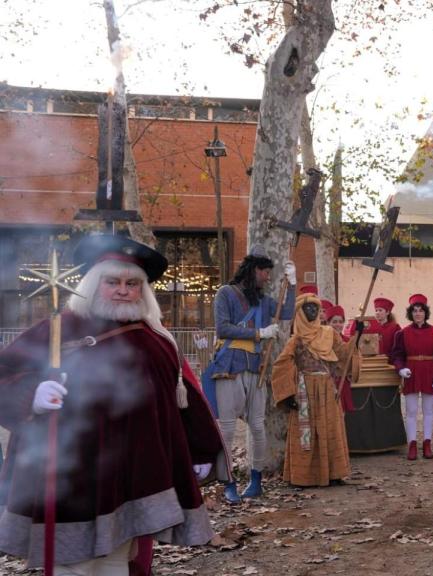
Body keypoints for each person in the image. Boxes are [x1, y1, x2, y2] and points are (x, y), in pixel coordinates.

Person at [0, 234, 227, 572]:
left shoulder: (157, 339)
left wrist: (201, 450)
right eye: (112, 282)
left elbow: (182, 400)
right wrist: (32, 395)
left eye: (132, 283)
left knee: (120, 560)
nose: (123, 290)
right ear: (93, 285)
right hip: (71, 474)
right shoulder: (60, 328)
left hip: (137, 473)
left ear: (143, 291)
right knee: (73, 562)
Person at [208, 245, 296, 504]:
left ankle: (255, 481)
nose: (267, 277)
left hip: (255, 366)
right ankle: (228, 483)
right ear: (252, 270)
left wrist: (292, 283)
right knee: (226, 429)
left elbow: (287, 311)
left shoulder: (263, 300)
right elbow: (223, 328)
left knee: (258, 426)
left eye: (270, 272)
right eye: (264, 271)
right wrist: (259, 334)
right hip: (229, 367)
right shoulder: (225, 293)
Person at [271, 294, 362, 487]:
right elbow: (281, 364)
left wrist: (357, 336)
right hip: (304, 391)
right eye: (308, 308)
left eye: (315, 308)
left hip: (327, 389)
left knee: (330, 428)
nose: (313, 312)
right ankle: (303, 477)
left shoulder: (329, 334)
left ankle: (334, 474)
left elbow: (343, 354)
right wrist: (287, 394)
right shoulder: (296, 340)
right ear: (300, 313)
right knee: (307, 433)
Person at [390, 294, 433, 460]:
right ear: (411, 313)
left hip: (429, 371)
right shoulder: (402, 334)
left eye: (421, 311)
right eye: (414, 311)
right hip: (411, 372)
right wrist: (401, 369)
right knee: (411, 411)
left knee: (429, 411)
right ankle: (412, 444)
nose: (418, 314)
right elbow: (397, 355)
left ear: (425, 312)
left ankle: (427, 444)